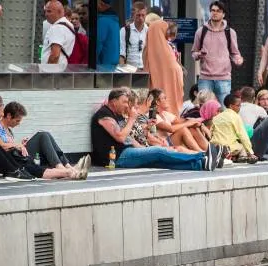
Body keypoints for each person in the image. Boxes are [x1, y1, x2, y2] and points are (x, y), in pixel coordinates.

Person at [91, 88, 222, 171]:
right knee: (159, 152)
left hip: (127, 151)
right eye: (124, 102)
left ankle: (202, 164)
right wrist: (131, 119)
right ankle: (203, 155)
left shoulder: (117, 114)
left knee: (162, 162)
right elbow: (120, 137)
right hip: (117, 158)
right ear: (113, 101)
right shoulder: (104, 114)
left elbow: (128, 138)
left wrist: (143, 149)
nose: (127, 105)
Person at [0, 97, 87, 178]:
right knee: (42, 135)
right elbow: (0, 146)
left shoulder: (7, 130)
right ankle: (61, 167)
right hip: (10, 158)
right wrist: (18, 145)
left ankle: (67, 166)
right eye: (17, 121)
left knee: (45, 134)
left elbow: (9, 146)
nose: (19, 124)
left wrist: (20, 144)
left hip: (16, 155)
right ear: (8, 116)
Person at [192, 0, 242, 104]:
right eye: (212, 10)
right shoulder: (201, 31)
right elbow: (194, 53)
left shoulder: (230, 32)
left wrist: (238, 59)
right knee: (205, 109)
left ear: (223, 14)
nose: (214, 13)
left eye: (218, 11)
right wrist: (199, 54)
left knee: (224, 109)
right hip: (205, 78)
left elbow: (235, 53)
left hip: (223, 78)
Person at [143, 17, 183, 115]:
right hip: (171, 95)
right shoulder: (168, 49)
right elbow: (176, 69)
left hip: (154, 94)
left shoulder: (147, 50)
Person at [41, 0, 75, 67]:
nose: (46, 14)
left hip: (53, 71)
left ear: (59, 12)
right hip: (61, 68)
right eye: (45, 11)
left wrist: (47, 73)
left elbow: (55, 56)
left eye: (49, 11)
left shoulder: (57, 28)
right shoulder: (67, 25)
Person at [93, 0, 119, 66]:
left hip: (103, 65)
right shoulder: (115, 20)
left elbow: (98, 43)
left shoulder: (102, 21)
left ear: (101, 3)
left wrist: (92, 62)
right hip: (113, 63)